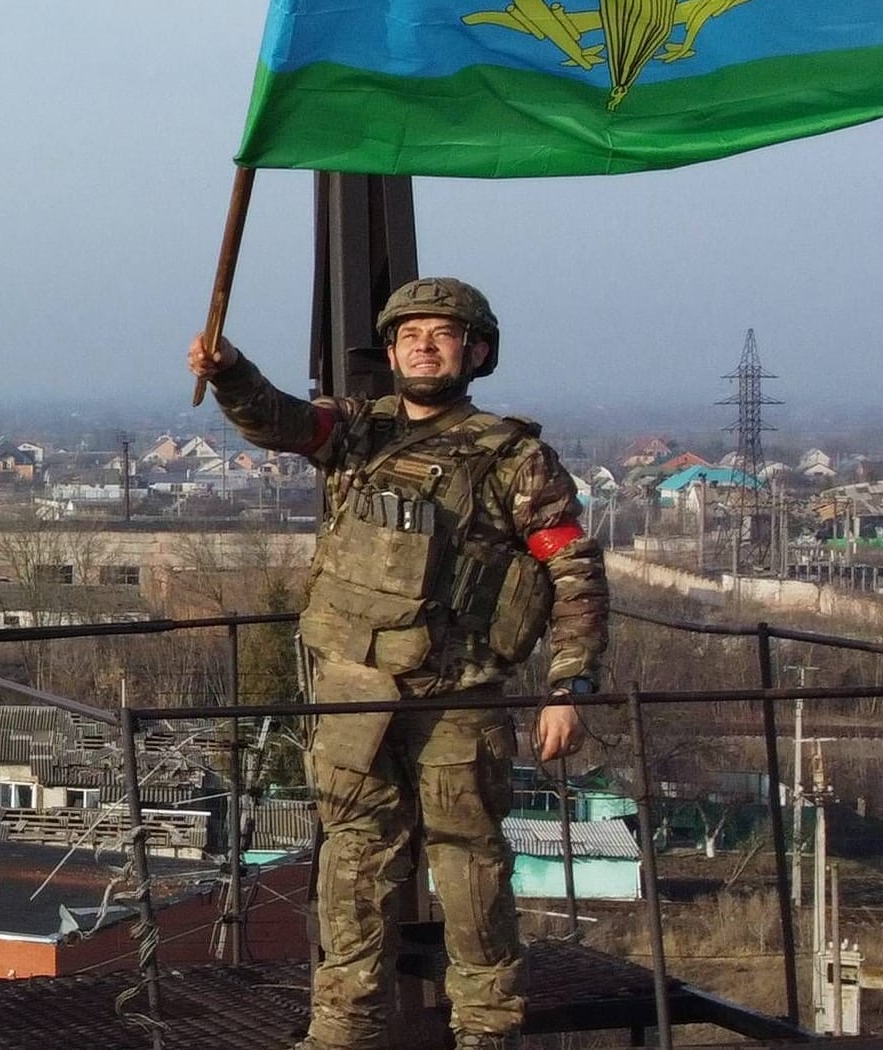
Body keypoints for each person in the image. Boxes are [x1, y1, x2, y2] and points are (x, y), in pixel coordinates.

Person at [188, 277, 609, 1050]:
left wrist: (568, 685)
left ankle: (486, 1031)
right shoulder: (357, 431)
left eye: (442, 333)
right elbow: (281, 421)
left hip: (457, 697)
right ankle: (342, 1029)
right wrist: (228, 370)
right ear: (389, 350)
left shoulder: (513, 458)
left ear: (474, 352)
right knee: (350, 868)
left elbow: (572, 571)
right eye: (408, 332)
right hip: (354, 691)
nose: (423, 344)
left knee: (471, 872)